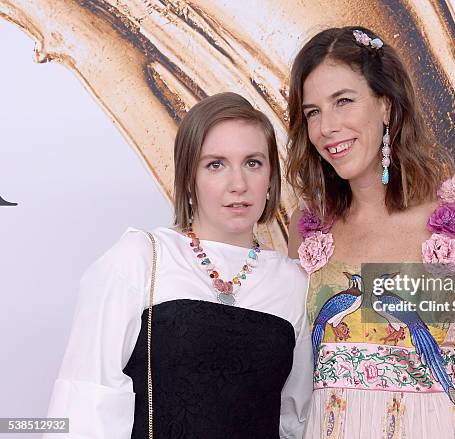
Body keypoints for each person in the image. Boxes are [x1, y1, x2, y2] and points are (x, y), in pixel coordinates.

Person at [285, 27, 455, 438]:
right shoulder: (305, 228)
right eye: (312, 112)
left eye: (343, 101)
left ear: (387, 106)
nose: (326, 126)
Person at [46, 92, 312, 438]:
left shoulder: (292, 281)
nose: (238, 184)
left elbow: (298, 419)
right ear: (189, 178)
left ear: (270, 179)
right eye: (215, 164)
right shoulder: (141, 257)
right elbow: (85, 402)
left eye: (253, 163)